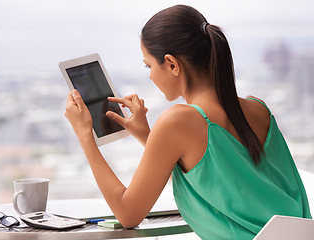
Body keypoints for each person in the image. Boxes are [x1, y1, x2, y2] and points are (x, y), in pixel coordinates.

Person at [64, 4, 312, 239]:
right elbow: (217, 181)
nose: (150, 75)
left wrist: (85, 136)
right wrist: (147, 137)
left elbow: (128, 214)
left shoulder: (177, 120)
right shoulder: (259, 109)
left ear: (172, 64)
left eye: (148, 65)